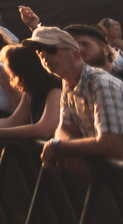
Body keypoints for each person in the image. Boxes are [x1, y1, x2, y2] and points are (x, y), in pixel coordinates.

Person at [24, 25, 123, 167]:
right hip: (103, 172)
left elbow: (111, 144)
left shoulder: (102, 83)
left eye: (51, 49)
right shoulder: (68, 82)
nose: (43, 54)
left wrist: (58, 147)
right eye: (38, 50)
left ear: (76, 55)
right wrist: (70, 152)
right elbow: (64, 129)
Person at [0, 43, 63, 145]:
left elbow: (45, 129)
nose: (11, 78)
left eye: (12, 73)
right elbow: (14, 121)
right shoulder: (31, 92)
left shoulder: (55, 91)